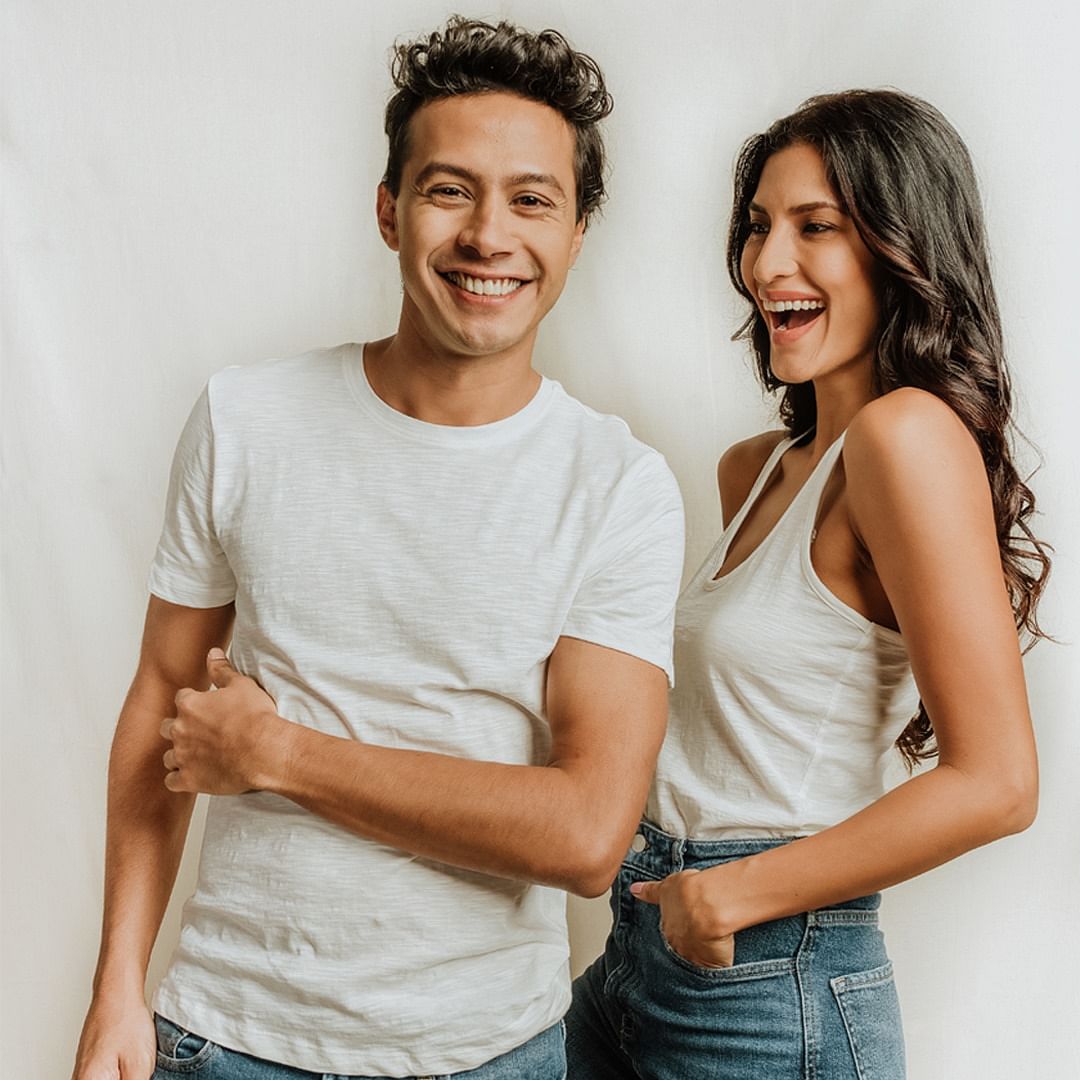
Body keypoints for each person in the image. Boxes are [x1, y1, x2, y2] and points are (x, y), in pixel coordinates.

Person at [71, 17, 685, 1080]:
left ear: (578, 231)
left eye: (531, 199)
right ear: (389, 210)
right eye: (450, 190)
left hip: (489, 1053)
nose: (489, 235)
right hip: (228, 1037)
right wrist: (117, 991)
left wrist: (281, 755)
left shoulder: (617, 486)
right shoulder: (244, 421)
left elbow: (589, 833)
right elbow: (159, 695)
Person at [566, 89, 1050, 1079]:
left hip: (767, 975)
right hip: (638, 955)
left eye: (814, 227)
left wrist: (730, 895)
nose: (765, 263)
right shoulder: (759, 469)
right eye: (757, 227)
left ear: (900, 245)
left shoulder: (905, 437)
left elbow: (998, 783)